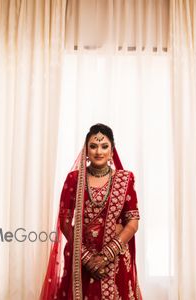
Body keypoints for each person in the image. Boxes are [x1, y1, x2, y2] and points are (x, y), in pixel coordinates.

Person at [40, 124, 142, 300]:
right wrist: (86, 256)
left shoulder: (125, 179)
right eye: (93, 146)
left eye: (104, 146)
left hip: (115, 259)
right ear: (86, 151)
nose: (98, 151)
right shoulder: (74, 179)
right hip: (80, 257)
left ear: (112, 152)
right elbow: (65, 221)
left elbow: (132, 222)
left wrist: (107, 254)